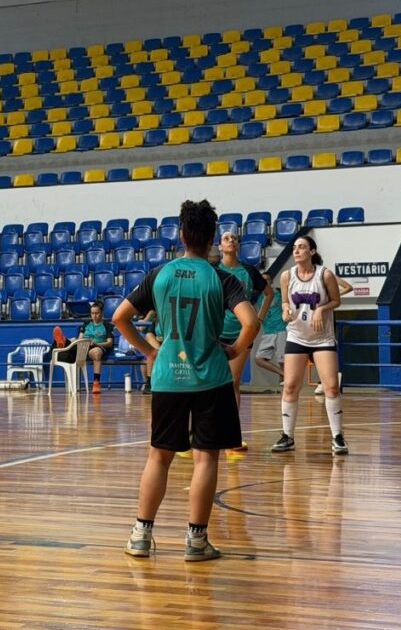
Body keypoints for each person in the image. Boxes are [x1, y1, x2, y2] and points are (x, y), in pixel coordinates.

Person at [113, 199, 258, 562]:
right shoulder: (221, 278)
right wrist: (234, 349)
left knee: (159, 456)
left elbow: (119, 317)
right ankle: (196, 541)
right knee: (206, 459)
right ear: (211, 238)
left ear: (181, 234)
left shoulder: (160, 275)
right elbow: (251, 322)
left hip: (168, 378)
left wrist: (150, 351)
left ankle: (140, 535)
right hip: (211, 378)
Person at [272, 236, 348, 455]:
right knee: (290, 386)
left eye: (302, 247)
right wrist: (285, 310)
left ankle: (338, 437)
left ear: (312, 252)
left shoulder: (325, 274)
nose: (296, 251)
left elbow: (336, 300)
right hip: (297, 336)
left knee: (331, 387)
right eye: (295, 248)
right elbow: (285, 301)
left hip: (322, 338)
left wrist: (321, 309)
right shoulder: (287, 276)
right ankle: (287, 436)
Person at [215, 231, 268, 449]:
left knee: (232, 382)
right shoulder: (213, 270)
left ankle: (231, 433)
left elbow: (269, 293)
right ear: (219, 246)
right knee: (211, 382)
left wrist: (259, 318)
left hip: (241, 332)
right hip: (216, 332)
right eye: (226, 239)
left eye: (234, 238)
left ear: (238, 245)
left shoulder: (248, 271)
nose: (231, 241)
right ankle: (205, 430)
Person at [253, 274, 286, 385]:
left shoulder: (280, 293)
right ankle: (284, 375)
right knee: (259, 359)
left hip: (282, 328)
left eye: (267, 279)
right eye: (262, 280)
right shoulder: (258, 296)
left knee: (282, 360)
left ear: (271, 281)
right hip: (268, 331)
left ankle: (284, 383)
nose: (265, 282)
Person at [77, 301, 115, 393]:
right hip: (84, 347)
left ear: (101, 313)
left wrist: (96, 344)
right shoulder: (86, 324)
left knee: (96, 353)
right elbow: (80, 338)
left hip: (99, 347)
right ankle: (63, 342)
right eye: (92, 313)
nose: (94, 316)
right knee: (72, 344)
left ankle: (96, 382)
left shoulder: (107, 325)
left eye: (96, 313)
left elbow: (109, 343)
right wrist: (82, 342)